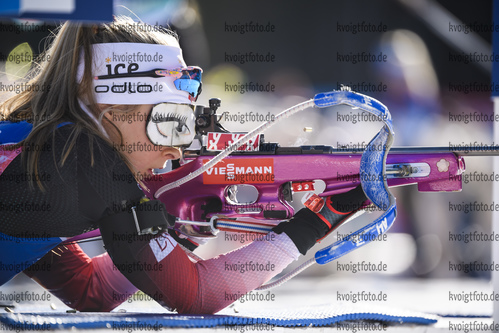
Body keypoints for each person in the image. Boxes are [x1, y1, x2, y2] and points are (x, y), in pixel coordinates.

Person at [0, 17, 367, 314]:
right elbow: (196, 296)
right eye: (167, 122)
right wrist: (319, 219)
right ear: (110, 114)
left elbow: (87, 289)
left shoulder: (48, 150)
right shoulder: (82, 155)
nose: (176, 151)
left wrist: (180, 230)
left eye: (185, 124)